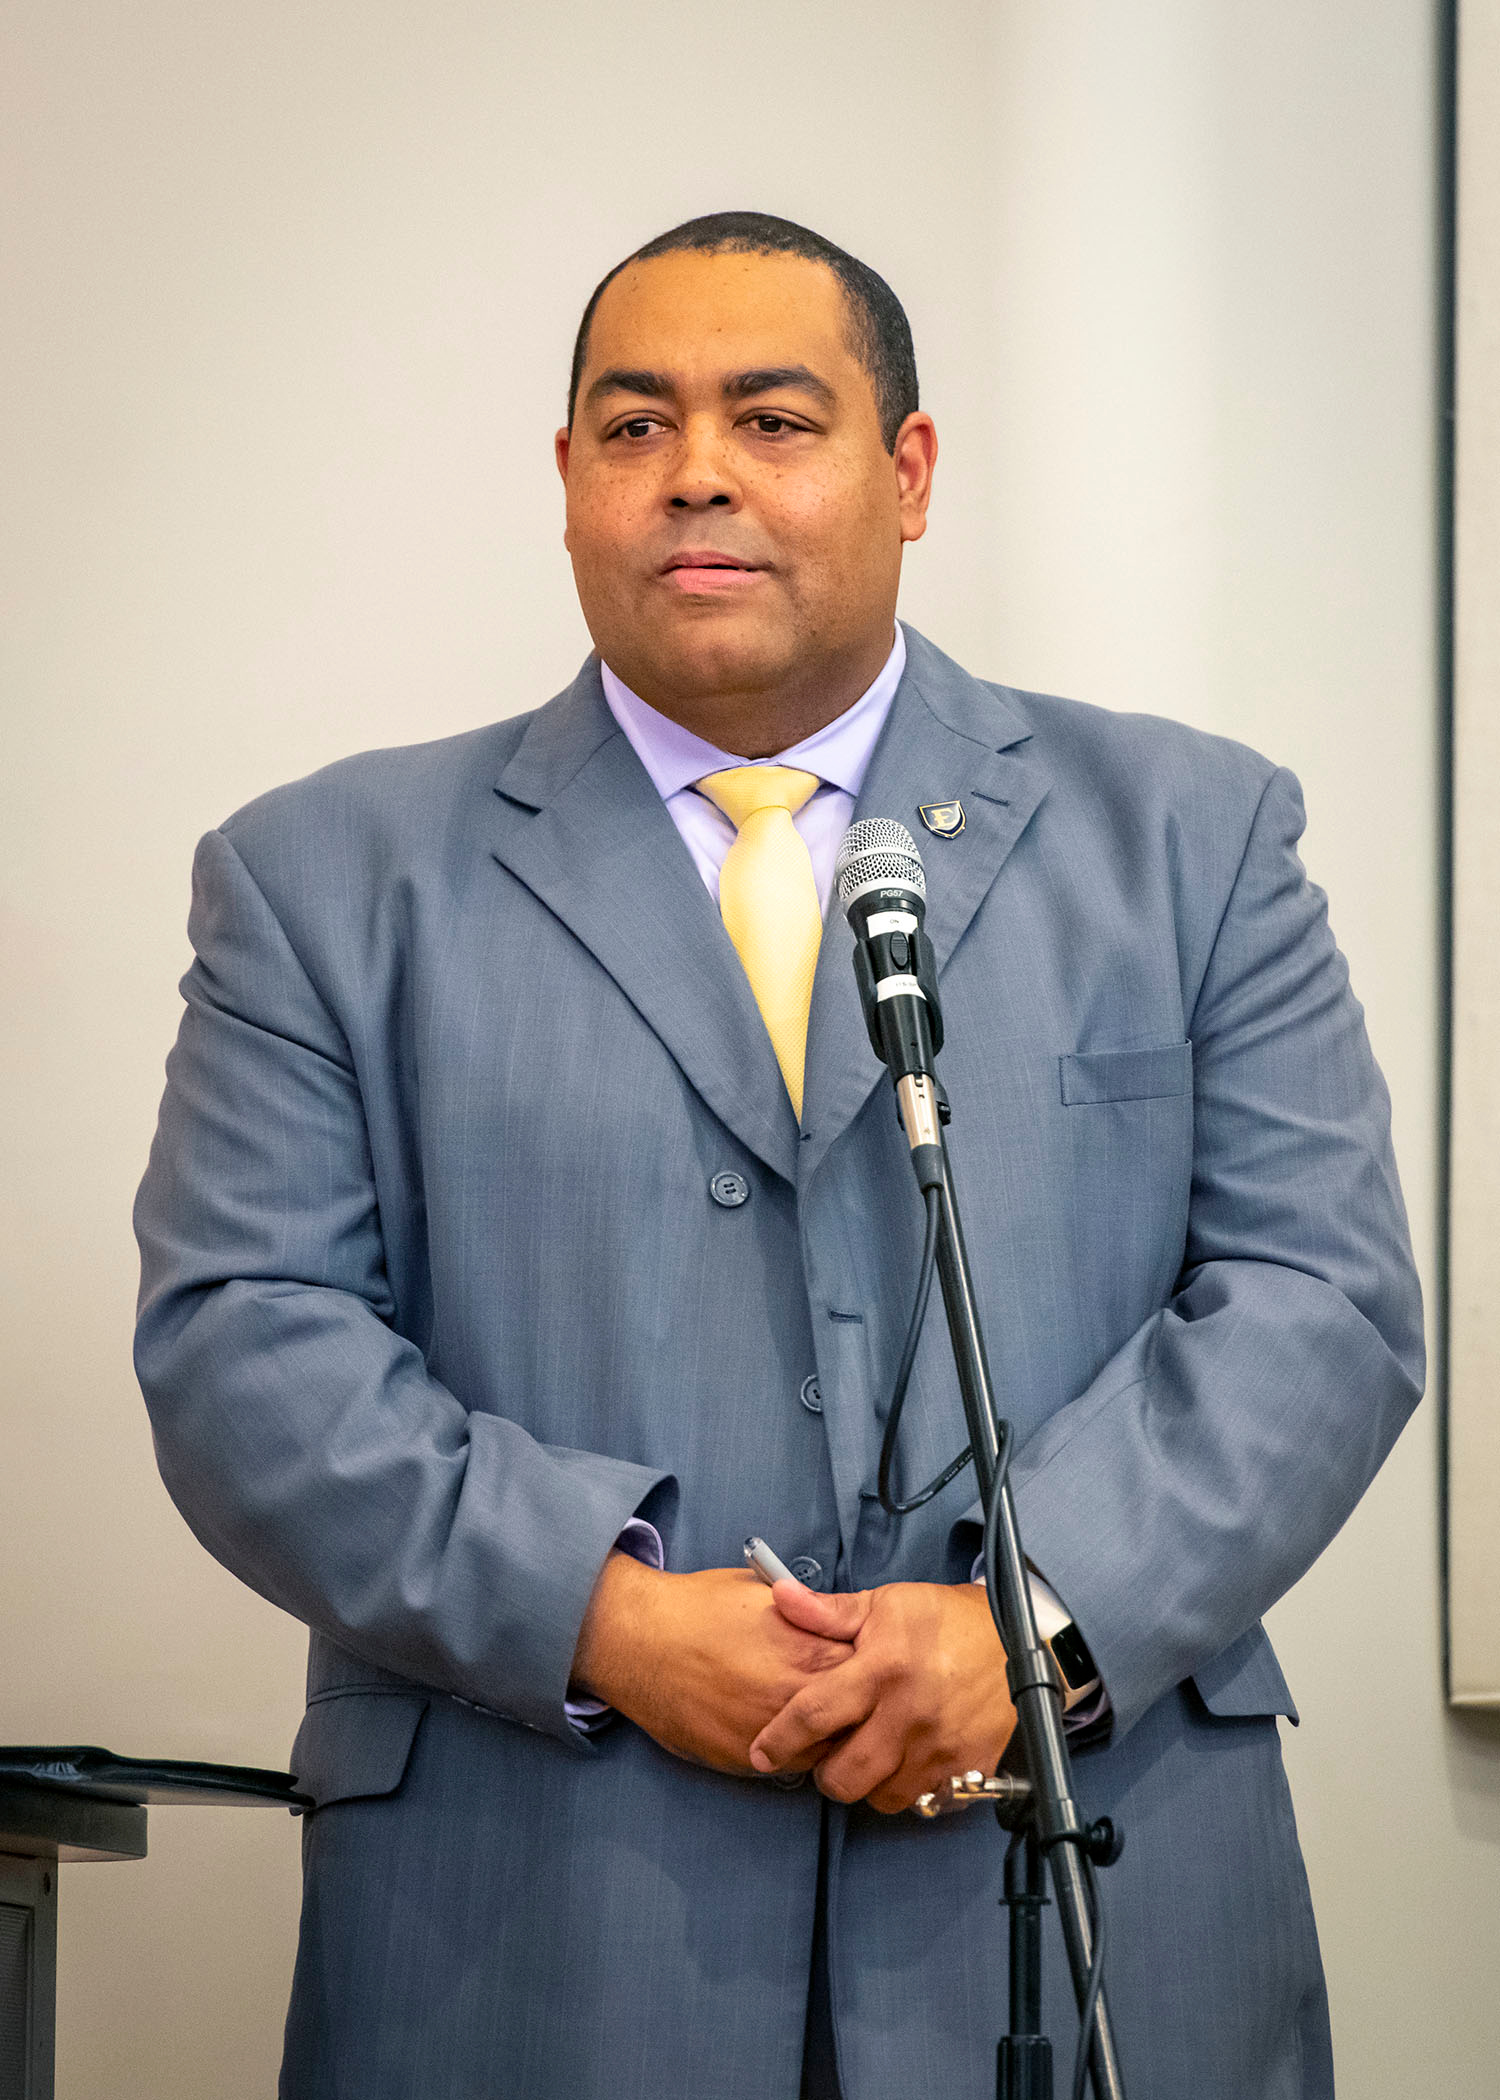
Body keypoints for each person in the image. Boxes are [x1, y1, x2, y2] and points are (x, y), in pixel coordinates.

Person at [133, 212, 1423, 2100]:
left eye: (773, 419)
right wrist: (610, 1616)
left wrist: (1031, 1622)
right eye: (636, 427)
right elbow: (248, 1347)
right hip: (540, 1925)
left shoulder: (1191, 834)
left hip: (1067, 1879)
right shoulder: (325, 879)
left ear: (908, 475)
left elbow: (1321, 1297)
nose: (699, 475)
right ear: (566, 481)